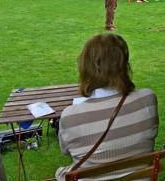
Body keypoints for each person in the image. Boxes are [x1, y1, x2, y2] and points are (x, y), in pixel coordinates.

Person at [56, 34, 158, 180]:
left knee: (60, 173)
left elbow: (66, 151)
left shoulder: (70, 116)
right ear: (124, 64)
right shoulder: (147, 99)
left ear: (87, 67)